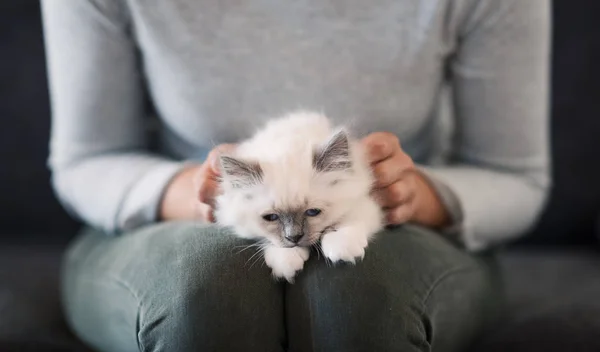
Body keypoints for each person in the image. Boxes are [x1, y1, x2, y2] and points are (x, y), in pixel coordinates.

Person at [41, 0, 550, 351]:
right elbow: (88, 160)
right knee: (208, 283)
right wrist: (205, 195)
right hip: (175, 217)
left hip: (404, 226)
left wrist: (411, 196)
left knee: (354, 289)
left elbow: (513, 177)